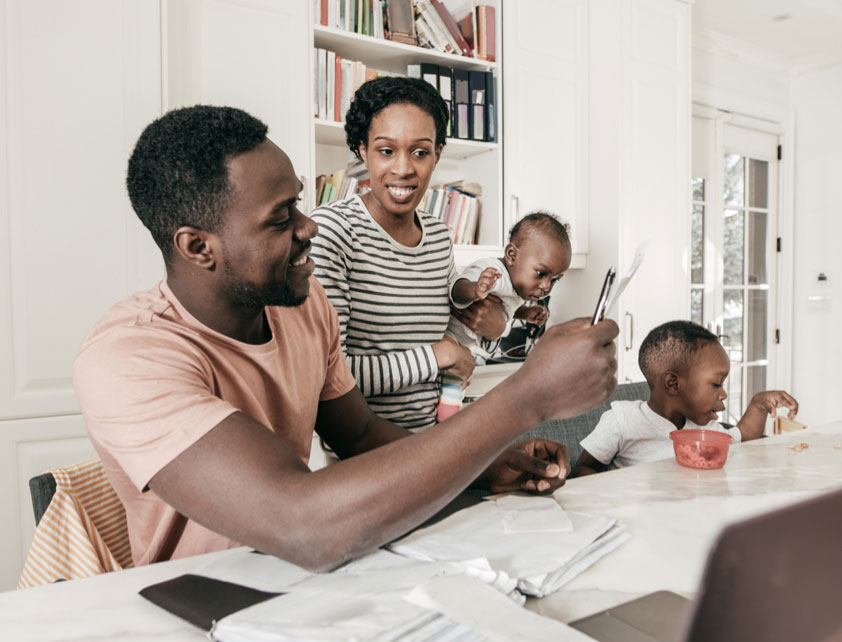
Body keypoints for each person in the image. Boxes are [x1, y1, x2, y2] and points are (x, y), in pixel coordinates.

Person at [73, 104, 619, 571]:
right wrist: (527, 397)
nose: (308, 226)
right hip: (207, 600)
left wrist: (486, 465)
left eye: (300, 203)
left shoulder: (305, 308)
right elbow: (301, 525)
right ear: (197, 247)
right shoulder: (127, 357)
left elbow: (358, 435)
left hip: (311, 583)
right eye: (280, 217)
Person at [310, 77, 507, 431]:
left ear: (437, 154)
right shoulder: (332, 231)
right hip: (362, 454)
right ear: (361, 149)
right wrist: (437, 356)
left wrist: (492, 330)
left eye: (420, 152)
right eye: (386, 150)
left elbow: (458, 342)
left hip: (436, 442)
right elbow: (328, 375)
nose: (403, 168)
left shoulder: (438, 237)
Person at [573, 320, 798, 476]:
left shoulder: (707, 430)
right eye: (716, 384)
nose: (724, 393)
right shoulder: (622, 420)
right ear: (673, 384)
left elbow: (744, 437)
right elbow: (583, 469)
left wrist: (758, 405)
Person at [446, 211, 571, 354]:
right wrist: (474, 289)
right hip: (445, 339)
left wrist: (525, 313)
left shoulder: (515, 290)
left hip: (460, 347)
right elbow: (455, 289)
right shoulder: (494, 273)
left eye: (554, 279)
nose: (547, 286)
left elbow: (506, 307)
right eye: (541, 274)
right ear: (512, 255)